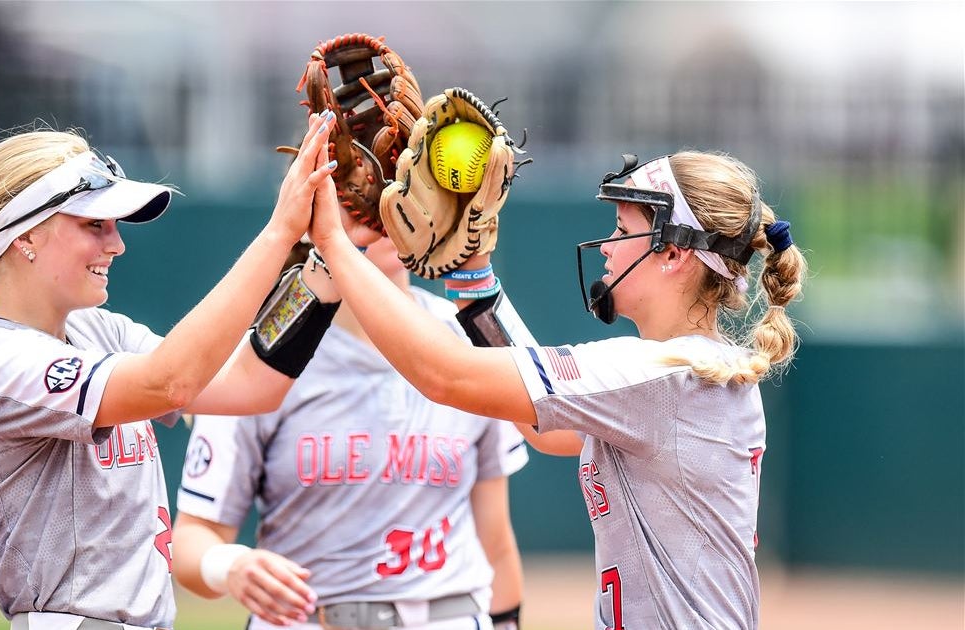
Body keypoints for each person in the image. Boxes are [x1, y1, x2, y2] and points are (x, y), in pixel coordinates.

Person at [308, 151, 807, 629]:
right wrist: (472, 276)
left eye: (623, 230)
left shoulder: (661, 375)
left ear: (673, 253)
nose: (608, 246)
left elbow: (445, 374)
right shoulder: (696, 368)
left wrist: (336, 244)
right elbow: (551, 433)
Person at [0, 112, 339, 630]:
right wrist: (277, 234)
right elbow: (171, 380)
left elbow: (250, 384)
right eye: (95, 224)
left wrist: (330, 261)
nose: (116, 244)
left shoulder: (97, 331)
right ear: (24, 236)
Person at [171, 234, 530, 630]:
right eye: (365, 198)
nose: (393, 213)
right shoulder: (261, 362)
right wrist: (230, 565)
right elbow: (192, 538)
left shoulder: (466, 343)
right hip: (308, 620)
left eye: (405, 189)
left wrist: (507, 622)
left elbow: (495, 542)